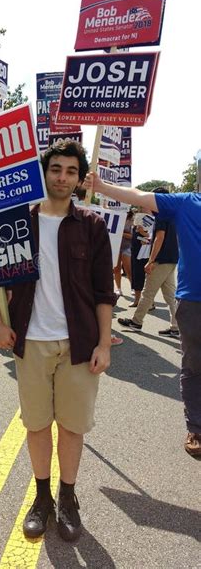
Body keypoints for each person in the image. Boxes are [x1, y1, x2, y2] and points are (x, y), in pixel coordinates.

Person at [0, 140, 115, 542]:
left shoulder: (92, 226)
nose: (62, 177)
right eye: (55, 169)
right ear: (44, 173)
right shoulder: (17, 223)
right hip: (31, 341)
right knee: (38, 425)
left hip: (78, 343)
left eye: (71, 171)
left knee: (72, 427)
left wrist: (105, 343)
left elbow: (103, 291)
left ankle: (68, 497)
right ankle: (42, 497)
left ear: (79, 179)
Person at [85, 172, 201, 458]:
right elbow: (137, 196)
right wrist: (100, 186)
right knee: (195, 366)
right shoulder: (187, 203)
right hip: (194, 302)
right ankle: (197, 428)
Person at [118, 188, 179, 336]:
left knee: (148, 293)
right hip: (171, 258)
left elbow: (160, 237)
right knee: (170, 296)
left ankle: (136, 322)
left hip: (161, 259)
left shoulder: (161, 215)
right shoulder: (173, 214)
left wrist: (151, 260)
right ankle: (176, 326)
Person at [113, 210, 133, 297]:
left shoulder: (131, 220)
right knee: (116, 269)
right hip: (116, 246)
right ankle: (118, 289)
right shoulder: (114, 217)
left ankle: (133, 288)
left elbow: (132, 236)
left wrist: (120, 232)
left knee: (128, 269)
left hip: (127, 247)